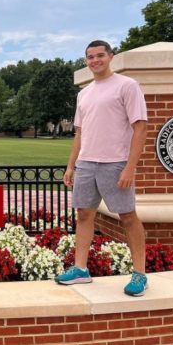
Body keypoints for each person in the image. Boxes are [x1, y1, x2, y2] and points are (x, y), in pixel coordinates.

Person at [55, 40, 148, 296]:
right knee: (84, 215)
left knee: (128, 216)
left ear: (110, 57)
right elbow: (80, 132)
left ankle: (139, 274)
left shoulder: (127, 86)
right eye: (90, 57)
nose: (95, 60)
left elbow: (140, 127)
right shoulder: (83, 94)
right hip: (86, 163)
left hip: (115, 163)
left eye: (99, 55)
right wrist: (71, 165)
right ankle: (80, 269)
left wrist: (130, 168)